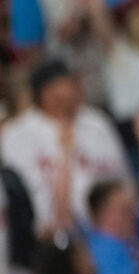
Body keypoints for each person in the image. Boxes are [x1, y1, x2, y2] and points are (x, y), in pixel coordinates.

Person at [0, 59, 131, 236]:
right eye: (69, 81)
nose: (78, 85)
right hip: (51, 239)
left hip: (111, 229)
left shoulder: (97, 123)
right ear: (48, 92)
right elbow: (21, 199)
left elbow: (124, 180)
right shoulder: (18, 134)